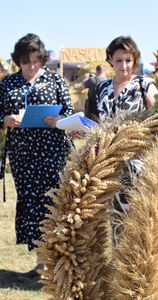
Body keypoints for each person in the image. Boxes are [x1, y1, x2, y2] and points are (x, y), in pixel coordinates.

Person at [0, 33, 74, 279]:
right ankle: (41, 265)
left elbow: (71, 115)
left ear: (42, 59)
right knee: (31, 208)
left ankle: (56, 265)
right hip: (23, 159)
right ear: (18, 61)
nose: (31, 66)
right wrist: (5, 120)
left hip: (52, 156)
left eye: (35, 60)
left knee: (53, 207)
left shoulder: (55, 82)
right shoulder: (7, 84)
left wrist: (59, 121)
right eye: (25, 61)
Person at [95, 36, 158, 244]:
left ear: (135, 61)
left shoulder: (144, 84)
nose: (124, 65)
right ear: (110, 60)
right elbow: (95, 120)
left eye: (128, 60)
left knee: (138, 221)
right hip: (110, 165)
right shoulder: (102, 87)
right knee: (116, 222)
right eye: (119, 60)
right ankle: (119, 271)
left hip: (138, 166)